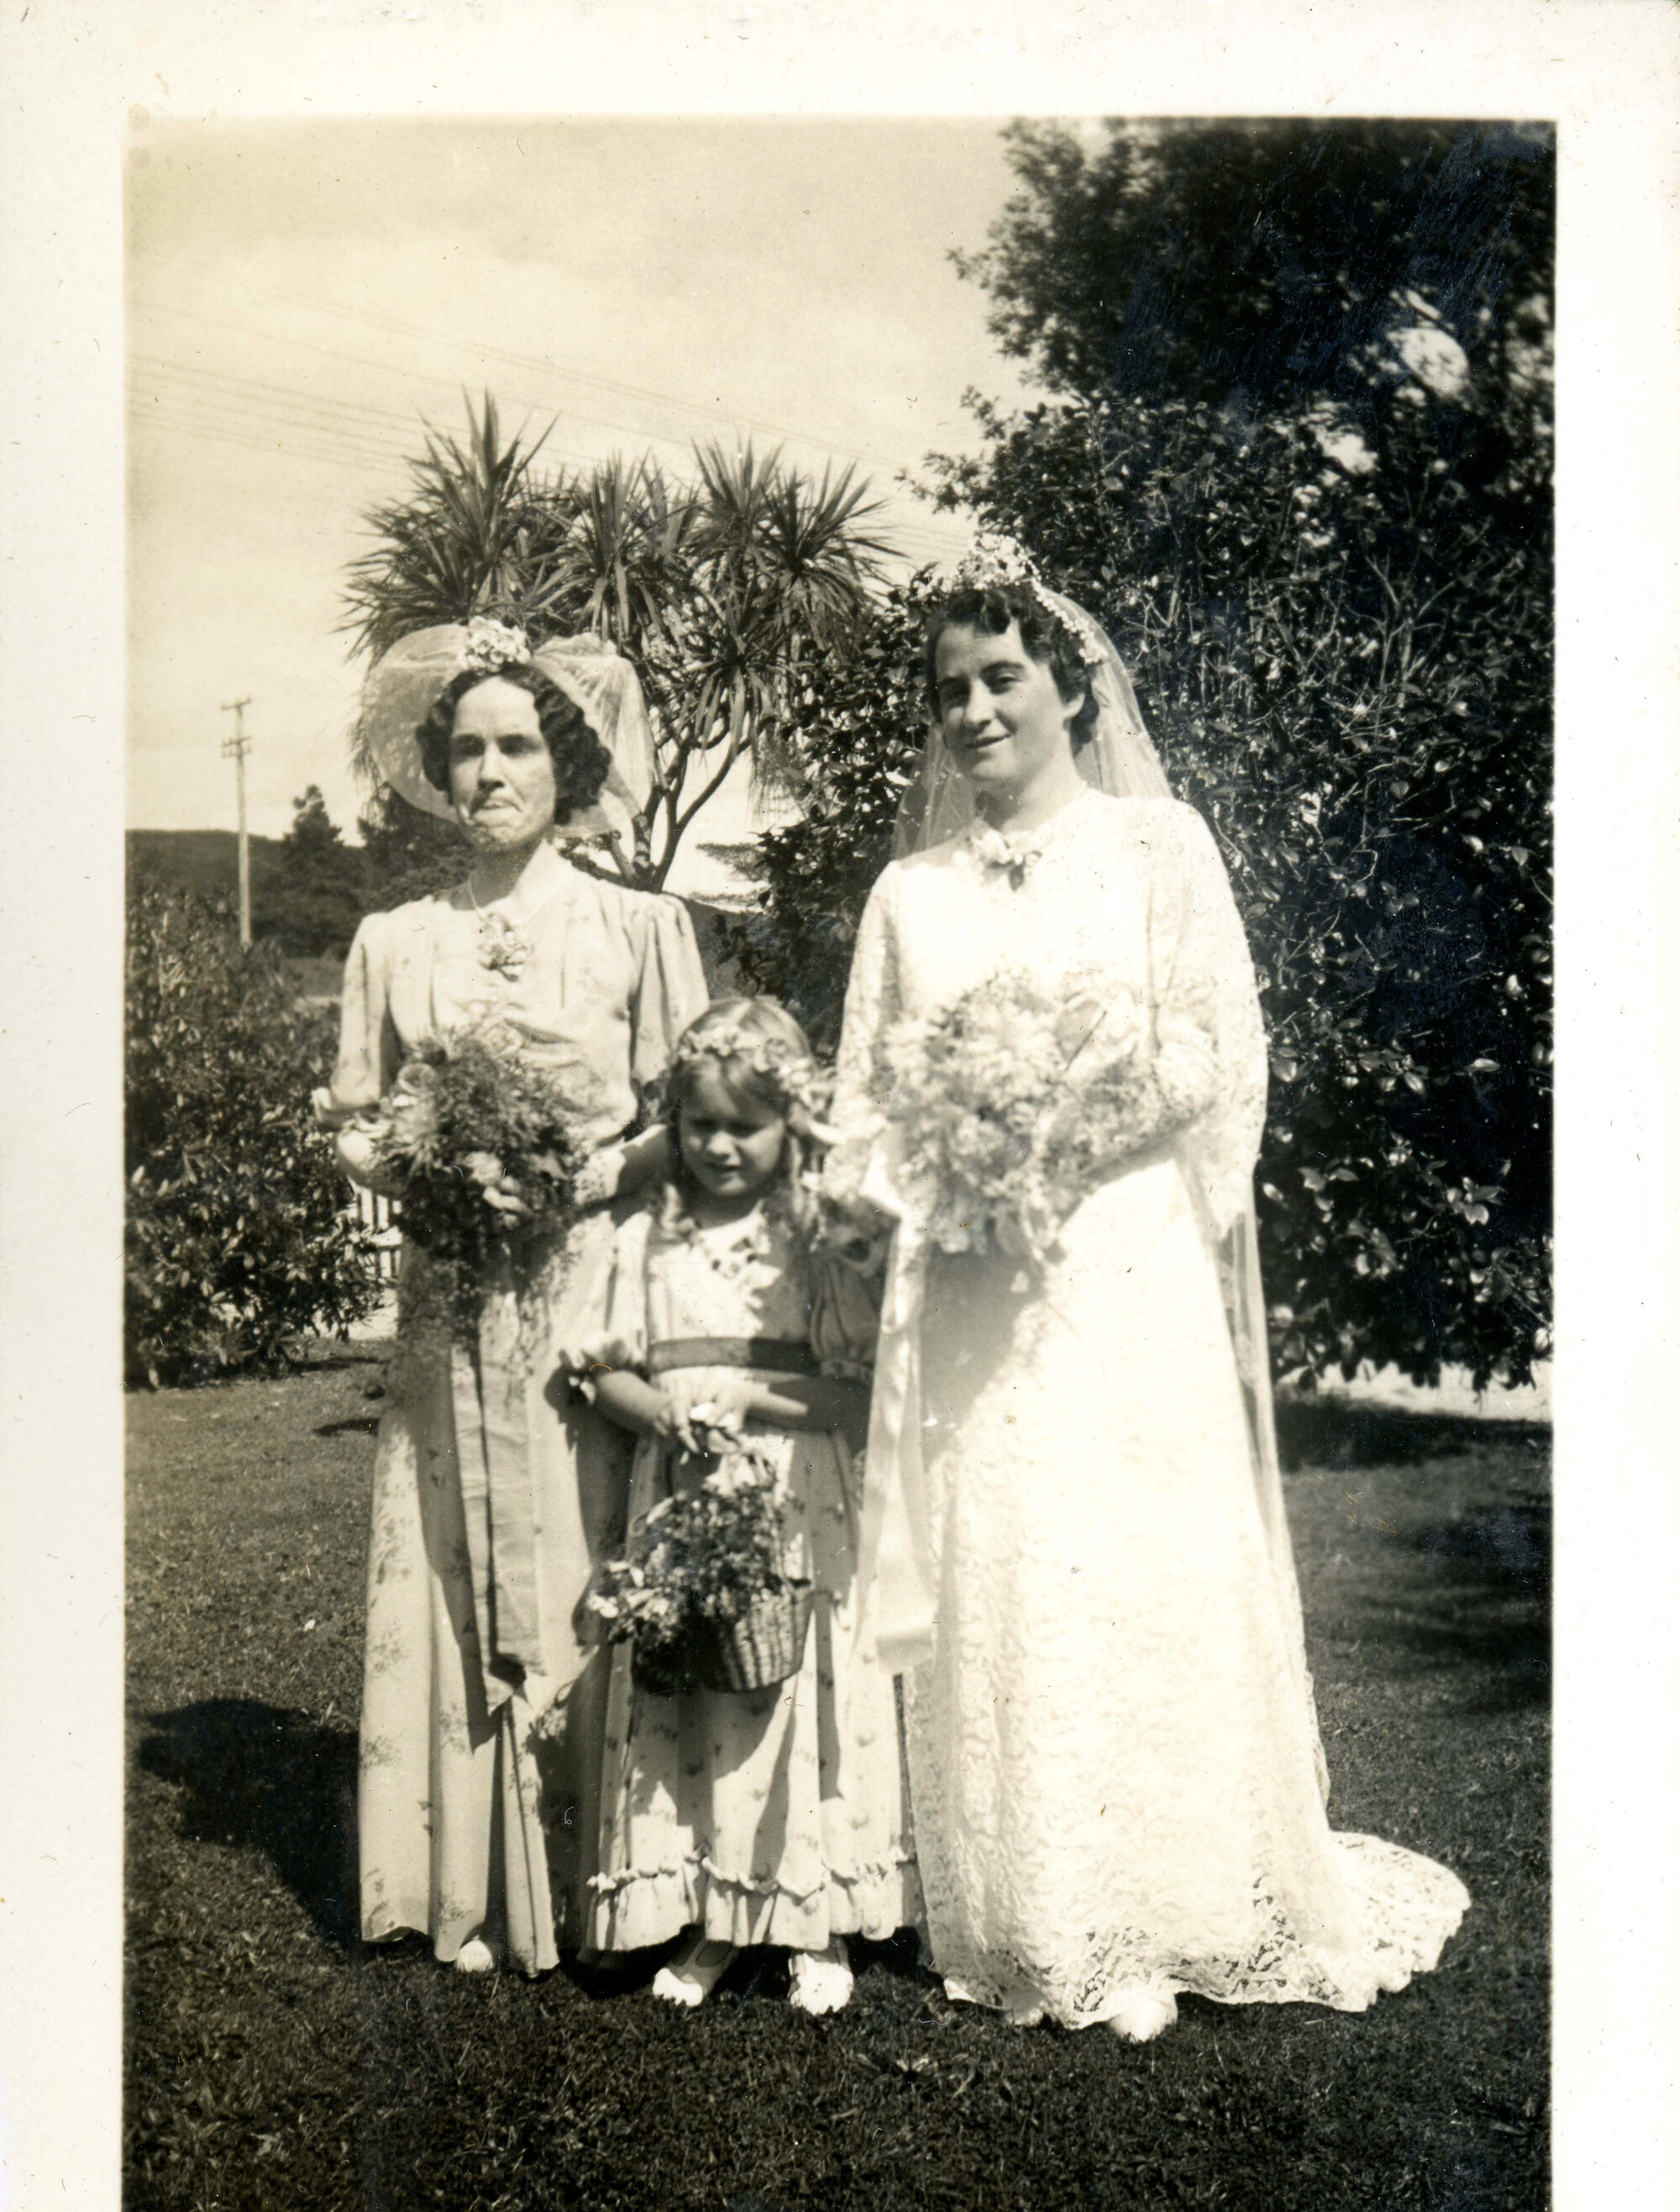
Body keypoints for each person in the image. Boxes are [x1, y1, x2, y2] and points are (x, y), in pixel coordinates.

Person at [827, 542, 1469, 2041]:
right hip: (978, 1289)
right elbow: (862, 1097)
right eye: (949, 692)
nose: (975, 711)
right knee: (1008, 1555)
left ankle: (1177, 1895)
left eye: (1002, 678)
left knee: (1130, 1558)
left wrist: (1049, 1126)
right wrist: (940, 1169)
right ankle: (1029, 1905)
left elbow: (1211, 1052)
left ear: (1071, 683)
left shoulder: (1157, 847)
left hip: (1120, 1269)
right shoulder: (906, 895)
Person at [317, 616, 709, 1976]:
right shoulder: (392, 942)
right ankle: (459, 1884)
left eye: (518, 746)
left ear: (567, 763)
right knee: (448, 1547)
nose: (490, 773)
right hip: (446, 1301)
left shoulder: (640, 929)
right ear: (439, 769)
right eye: (467, 749)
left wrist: (570, 1174)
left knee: (586, 1548)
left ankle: (613, 1879)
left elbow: (694, 1120)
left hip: (584, 1299)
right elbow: (357, 1119)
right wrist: (423, 1171)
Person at [573, 1000, 916, 2013]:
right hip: (678, 1495)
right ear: (671, 1123)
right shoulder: (645, 1234)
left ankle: (815, 1920)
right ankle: (714, 1914)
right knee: (698, 1700)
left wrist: (754, 1397)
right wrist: (662, 1414)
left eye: (745, 1125)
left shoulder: (818, 1242)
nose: (719, 1145)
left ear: (790, 1124)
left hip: (796, 1493)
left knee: (793, 1698)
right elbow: (603, 1372)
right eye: (697, 1125)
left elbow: (857, 1398)